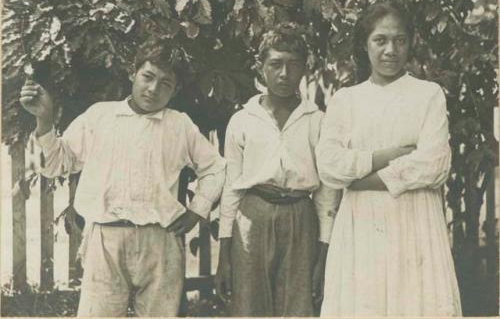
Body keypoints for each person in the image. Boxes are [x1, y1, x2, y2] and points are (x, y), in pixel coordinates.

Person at [19, 40, 226, 317]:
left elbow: (215, 168)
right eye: (148, 77)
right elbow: (57, 164)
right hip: (105, 239)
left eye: (165, 84)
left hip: (160, 241)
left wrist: (196, 211)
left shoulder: (180, 125)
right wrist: (44, 121)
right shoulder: (99, 116)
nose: (153, 89)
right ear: (133, 73)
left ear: (175, 90)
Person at [316, 0, 462, 316]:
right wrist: (391, 155)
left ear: (410, 44)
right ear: (364, 45)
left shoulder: (428, 95)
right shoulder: (346, 100)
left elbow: (434, 165)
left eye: (399, 40)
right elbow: (329, 166)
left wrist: (358, 178)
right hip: (362, 225)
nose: (390, 50)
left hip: (415, 221)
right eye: (380, 40)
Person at [215, 25, 342, 317]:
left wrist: (323, 255)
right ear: (261, 67)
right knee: (249, 306)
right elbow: (231, 188)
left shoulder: (317, 121)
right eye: (275, 64)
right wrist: (224, 255)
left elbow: (326, 194)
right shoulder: (243, 120)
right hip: (252, 217)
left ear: (304, 69)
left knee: (298, 306)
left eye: (293, 65)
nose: (284, 73)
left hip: (300, 216)